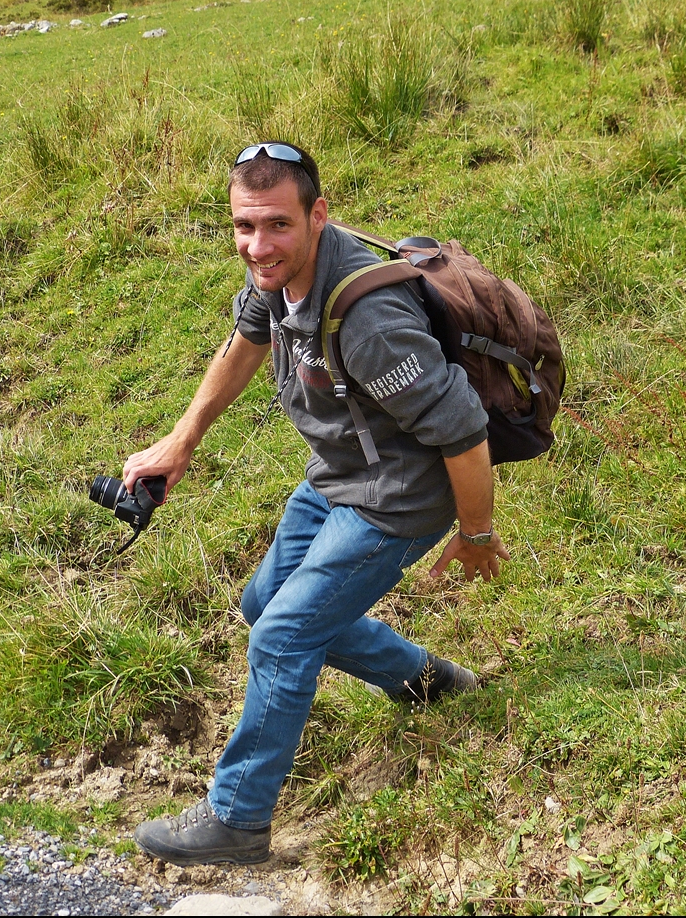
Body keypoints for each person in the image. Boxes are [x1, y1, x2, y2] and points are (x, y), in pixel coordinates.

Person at [126, 142, 510, 866]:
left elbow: (462, 429)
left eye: (275, 225)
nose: (257, 246)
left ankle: (238, 820)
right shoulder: (277, 277)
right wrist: (180, 442)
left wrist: (478, 533)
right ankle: (429, 680)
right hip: (338, 474)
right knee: (262, 607)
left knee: (282, 636)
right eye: (244, 226)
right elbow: (244, 341)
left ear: (318, 215)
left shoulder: (369, 319)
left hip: (397, 500)